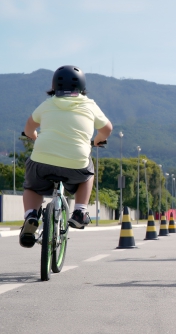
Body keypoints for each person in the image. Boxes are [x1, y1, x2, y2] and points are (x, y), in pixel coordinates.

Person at [19, 65, 113, 248]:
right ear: (82, 87)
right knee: (88, 172)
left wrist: (33, 136)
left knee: (32, 187)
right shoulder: (89, 104)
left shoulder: (48, 103)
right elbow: (107, 129)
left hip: (42, 161)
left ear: (54, 86)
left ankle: (31, 215)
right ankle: (80, 211)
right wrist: (98, 140)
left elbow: (29, 127)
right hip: (76, 164)